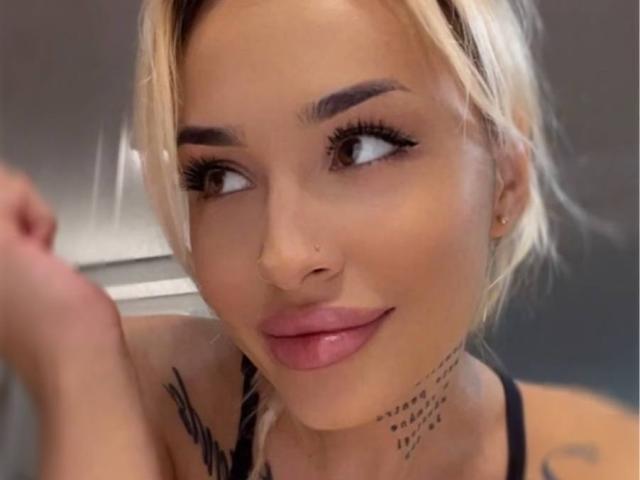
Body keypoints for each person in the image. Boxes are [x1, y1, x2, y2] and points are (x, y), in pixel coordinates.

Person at [0, 0, 637, 479]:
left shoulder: (608, 461)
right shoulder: (131, 380)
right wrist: (74, 356)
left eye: (361, 147)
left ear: (506, 183)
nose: (282, 257)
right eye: (220, 177)